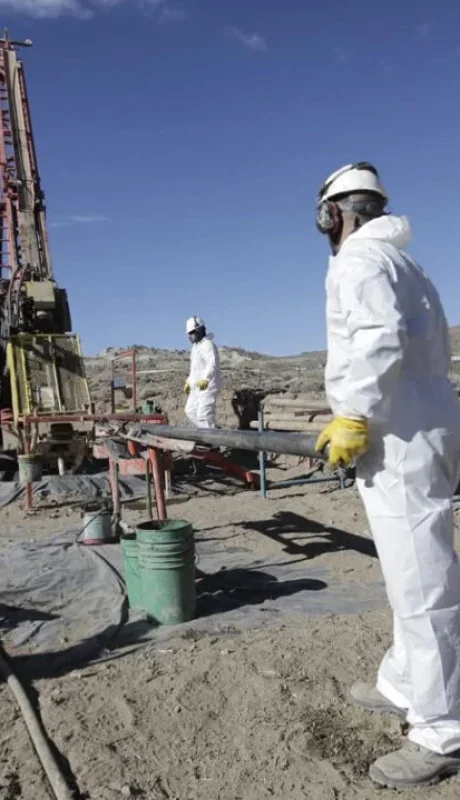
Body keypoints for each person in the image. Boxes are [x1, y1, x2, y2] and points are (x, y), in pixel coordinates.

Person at [314, 161, 460, 789]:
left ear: (332, 214)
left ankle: (443, 729)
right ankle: (403, 680)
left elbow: (377, 339)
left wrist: (352, 414)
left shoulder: (358, 261)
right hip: (424, 421)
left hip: (398, 434)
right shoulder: (405, 263)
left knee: (423, 584)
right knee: (411, 572)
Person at [184, 316, 221, 429]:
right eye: (189, 333)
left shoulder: (207, 344)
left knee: (203, 415)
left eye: (192, 333)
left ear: (199, 330)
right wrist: (189, 382)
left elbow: (212, 363)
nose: (190, 336)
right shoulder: (195, 348)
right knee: (190, 410)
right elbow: (194, 369)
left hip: (208, 385)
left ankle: (213, 437)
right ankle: (212, 432)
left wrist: (206, 379)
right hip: (197, 386)